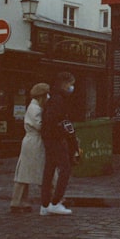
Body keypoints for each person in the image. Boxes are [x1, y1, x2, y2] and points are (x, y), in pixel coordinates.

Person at [40, 71, 76, 216]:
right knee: (65, 169)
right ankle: (55, 202)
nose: (72, 87)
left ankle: (45, 204)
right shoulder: (58, 100)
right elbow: (56, 121)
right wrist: (64, 135)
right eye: (70, 84)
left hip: (49, 139)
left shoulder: (52, 99)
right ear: (64, 84)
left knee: (49, 170)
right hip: (56, 139)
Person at [9, 83, 49, 213]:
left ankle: (21, 201)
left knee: (26, 172)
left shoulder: (36, 107)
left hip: (34, 141)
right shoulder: (34, 109)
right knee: (26, 172)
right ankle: (17, 202)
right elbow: (40, 125)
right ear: (42, 96)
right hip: (33, 142)